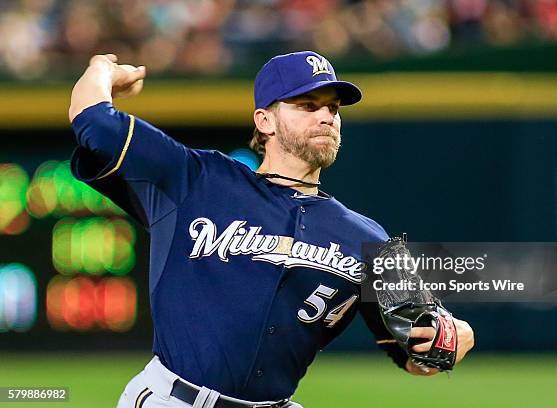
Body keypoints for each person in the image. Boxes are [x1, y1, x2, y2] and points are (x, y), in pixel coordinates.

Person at [68, 50, 474, 408]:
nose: (326, 116)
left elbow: (418, 350)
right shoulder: (198, 179)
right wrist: (101, 70)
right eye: (307, 104)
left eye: (332, 108)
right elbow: (94, 123)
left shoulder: (371, 240)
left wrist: (453, 338)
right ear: (265, 120)